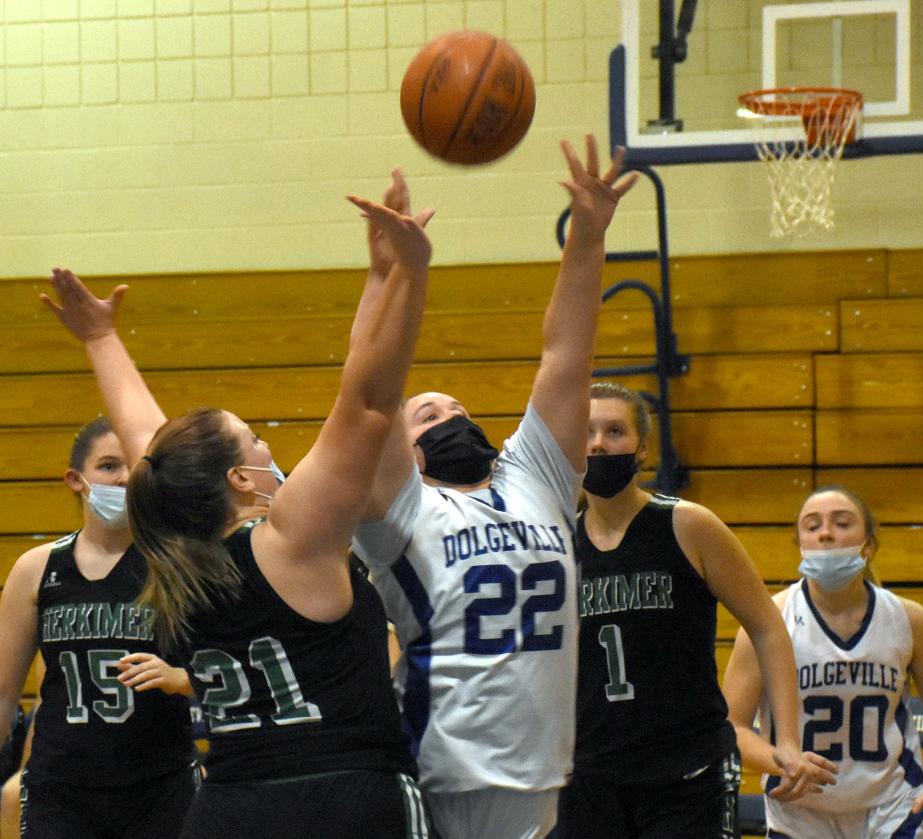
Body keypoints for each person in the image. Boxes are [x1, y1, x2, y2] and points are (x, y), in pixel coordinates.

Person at [39, 175, 434, 839]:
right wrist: (410, 273)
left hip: (228, 810)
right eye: (256, 438)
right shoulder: (291, 540)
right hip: (342, 799)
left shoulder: (172, 550)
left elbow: (147, 442)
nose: (268, 443)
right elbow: (368, 401)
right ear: (241, 477)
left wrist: (101, 339)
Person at [349, 134, 638, 839]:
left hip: (543, 772)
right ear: (405, 450)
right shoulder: (399, 509)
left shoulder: (534, 475)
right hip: (439, 772)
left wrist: (588, 235)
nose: (447, 414)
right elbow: (368, 390)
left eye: (456, 407)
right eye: (428, 413)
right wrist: (386, 278)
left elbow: (568, 353)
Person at [551, 381, 831, 839]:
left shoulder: (688, 525)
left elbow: (766, 626)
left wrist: (789, 740)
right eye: (586, 432)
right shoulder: (555, 542)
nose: (599, 443)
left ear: (642, 446)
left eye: (615, 430)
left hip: (686, 771)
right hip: (589, 772)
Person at [724, 485, 923, 839]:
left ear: (869, 543)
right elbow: (732, 726)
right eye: (812, 525)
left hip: (893, 807)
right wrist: (780, 760)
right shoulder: (768, 620)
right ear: (800, 542)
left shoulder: (909, 620)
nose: (826, 533)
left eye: (842, 522)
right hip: (800, 813)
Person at [0, 416, 197, 838]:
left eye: (134, 466)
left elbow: (226, 671)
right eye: (109, 466)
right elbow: (3, 694)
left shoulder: (176, 567)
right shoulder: (37, 569)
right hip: (60, 791)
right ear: (76, 478)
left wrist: (178, 677)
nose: (125, 478)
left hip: (160, 785)